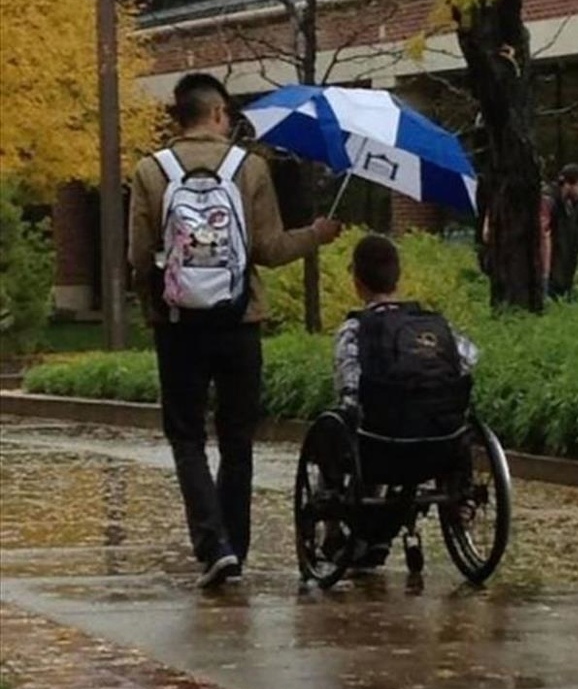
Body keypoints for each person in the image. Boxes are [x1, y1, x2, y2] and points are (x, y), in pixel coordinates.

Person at [129, 72, 340, 589]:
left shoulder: (150, 171)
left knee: (185, 436)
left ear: (180, 115)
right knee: (237, 437)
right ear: (219, 113)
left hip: (178, 324)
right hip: (240, 320)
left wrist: (154, 306)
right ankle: (236, 549)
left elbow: (138, 257)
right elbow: (268, 250)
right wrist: (316, 234)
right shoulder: (250, 168)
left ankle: (212, 545)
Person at [331, 234, 479, 567]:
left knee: (339, 426)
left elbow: (349, 388)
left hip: (381, 448)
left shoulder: (355, 330)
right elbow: (468, 359)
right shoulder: (434, 324)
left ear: (356, 281)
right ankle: (454, 504)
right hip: (443, 442)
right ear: (398, 276)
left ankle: (341, 532)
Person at [540, 163, 578, 300]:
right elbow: (544, 234)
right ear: (568, 184)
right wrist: (545, 272)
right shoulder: (549, 201)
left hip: (563, 275)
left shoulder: (570, 206)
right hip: (550, 275)